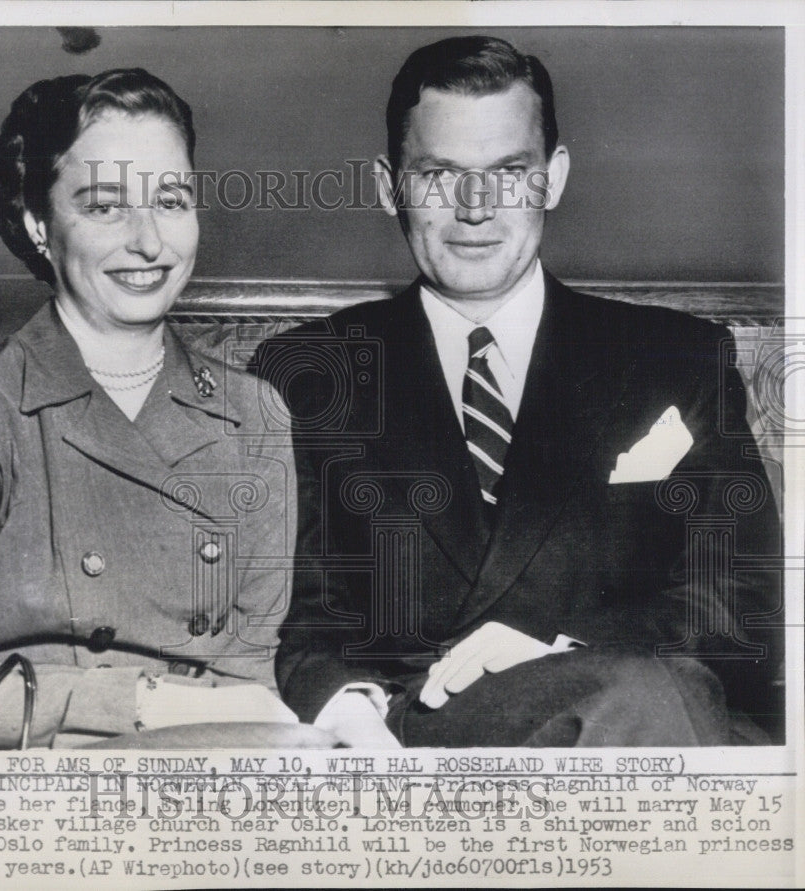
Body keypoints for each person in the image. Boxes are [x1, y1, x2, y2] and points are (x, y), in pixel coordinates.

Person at [254, 36, 783, 747]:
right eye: (440, 175)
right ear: (388, 187)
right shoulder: (312, 371)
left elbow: (745, 610)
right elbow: (298, 622)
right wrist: (348, 710)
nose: (477, 210)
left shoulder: (675, 357)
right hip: (418, 738)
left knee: (644, 696)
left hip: (645, 723)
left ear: (554, 178)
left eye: (508, 173)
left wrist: (563, 647)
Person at [0, 68, 302, 748]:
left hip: (208, 772)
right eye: (106, 206)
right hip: (41, 785)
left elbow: (254, 679)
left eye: (171, 200)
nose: (148, 242)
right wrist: (139, 702)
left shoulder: (254, 413)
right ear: (39, 225)